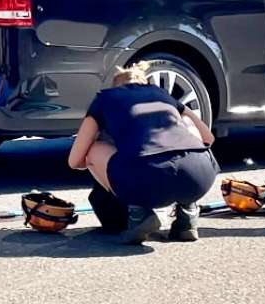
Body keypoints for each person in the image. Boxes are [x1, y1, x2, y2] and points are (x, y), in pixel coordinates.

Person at [67, 63, 219, 244]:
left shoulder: (106, 98)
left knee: (93, 150)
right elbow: (208, 138)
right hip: (199, 176)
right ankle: (188, 214)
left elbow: (74, 160)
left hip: (146, 178)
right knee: (186, 121)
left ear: (117, 86)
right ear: (145, 83)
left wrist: (108, 163)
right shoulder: (163, 96)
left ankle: (140, 214)